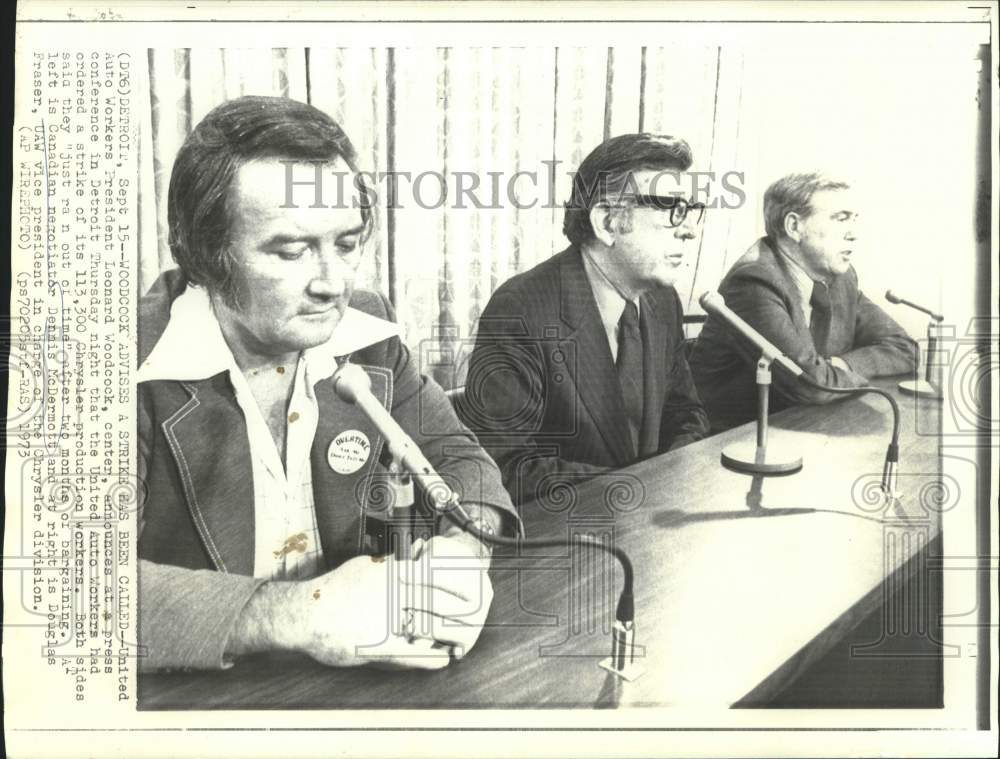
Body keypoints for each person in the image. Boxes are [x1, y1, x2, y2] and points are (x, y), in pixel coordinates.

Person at [137, 96, 518, 672]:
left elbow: (461, 461)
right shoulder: (118, 363)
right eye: (292, 251)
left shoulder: (366, 331)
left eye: (346, 244)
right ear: (205, 256)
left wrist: (462, 553)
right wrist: (295, 615)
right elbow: (76, 590)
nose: (333, 284)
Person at [464, 133, 711, 506]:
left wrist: (664, 479)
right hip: (568, 528)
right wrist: (636, 486)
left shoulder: (662, 300)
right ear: (607, 222)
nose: (689, 229)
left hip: (651, 518)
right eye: (669, 208)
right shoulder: (520, 310)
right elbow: (504, 467)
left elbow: (686, 414)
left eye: (689, 209)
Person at [688, 172, 918, 432]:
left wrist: (840, 366)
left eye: (854, 219)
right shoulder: (753, 281)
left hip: (804, 423)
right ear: (794, 227)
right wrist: (828, 372)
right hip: (729, 438)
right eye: (841, 218)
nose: (853, 234)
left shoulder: (839, 277)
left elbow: (906, 348)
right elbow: (812, 385)